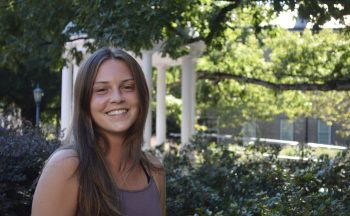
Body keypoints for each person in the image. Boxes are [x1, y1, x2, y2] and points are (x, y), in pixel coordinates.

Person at [31, 47, 166, 216]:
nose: (117, 98)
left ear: (142, 97)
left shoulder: (154, 171)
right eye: (102, 90)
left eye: (128, 87)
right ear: (85, 102)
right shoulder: (67, 167)